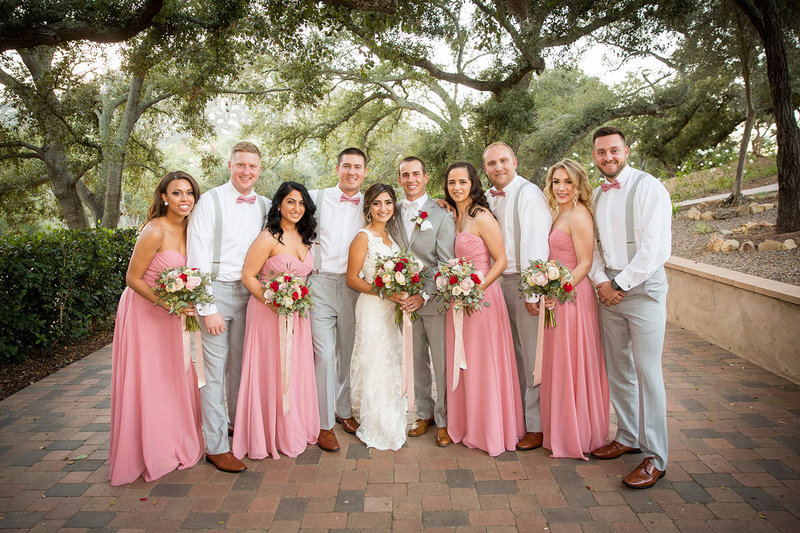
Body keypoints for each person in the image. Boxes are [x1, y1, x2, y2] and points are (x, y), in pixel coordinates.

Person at [588, 126, 671, 489]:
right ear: (594, 156)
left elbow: (656, 248)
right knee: (619, 368)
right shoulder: (595, 194)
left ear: (626, 150)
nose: (608, 157)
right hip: (609, 291)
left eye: (614, 150)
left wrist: (619, 284)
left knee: (648, 372)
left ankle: (656, 457)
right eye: (601, 152)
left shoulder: (648, 187)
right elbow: (593, 247)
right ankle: (627, 436)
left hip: (641, 291)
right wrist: (601, 283)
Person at [110, 171, 204, 486]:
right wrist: (169, 305)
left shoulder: (193, 228)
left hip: (174, 314)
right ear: (164, 197)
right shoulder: (154, 230)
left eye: (189, 192)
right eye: (176, 193)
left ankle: (174, 442)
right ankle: (149, 450)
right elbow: (132, 279)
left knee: (174, 376)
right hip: (145, 312)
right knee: (150, 380)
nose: (184, 199)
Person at [187, 142, 270, 473]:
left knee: (241, 367)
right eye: (240, 165)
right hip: (217, 291)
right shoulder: (210, 201)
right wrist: (207, 308)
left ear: (259, 170)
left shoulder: (265, 205)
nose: (246, 171)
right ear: (229, 165)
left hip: (251, 294)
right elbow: (197, 257)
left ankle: (237, 428)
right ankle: (217, 446)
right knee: (214, 372)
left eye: (252, 166)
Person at [232, 182, 320, 460]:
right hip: (268, 314)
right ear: (279, 205)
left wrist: (293, 303)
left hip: (297, 317)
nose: (296, 208)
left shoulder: (306, 237)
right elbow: (248, 276)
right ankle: (267, 433)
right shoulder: (269, 236)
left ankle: (292, 427)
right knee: (272, 370)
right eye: (290, 202)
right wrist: (274, 303)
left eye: (301, 203)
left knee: (294, 370)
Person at [443, 162, 525, 456]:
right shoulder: (452, 216)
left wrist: (475, 289)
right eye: (451, 183)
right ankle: (467, 425)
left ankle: (490, 429)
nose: (457, 188)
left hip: (482, 299)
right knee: (463, 363)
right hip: (457, 299)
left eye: (462, 182)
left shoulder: (481, 216)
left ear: (473, 183)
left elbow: (500, 260)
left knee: (482, 363)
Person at [483, 142, 552, 451]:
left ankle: (536, 427)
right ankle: (518, 419)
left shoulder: (529, 194)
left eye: (503, 161)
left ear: (514, 161)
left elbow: (536, 244)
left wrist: (532, 290)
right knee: (511, 354)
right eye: (491, 163)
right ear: (484, 168)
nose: (498, 167)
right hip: (497, 284)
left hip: (522, 282)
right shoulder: (485, 198)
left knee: (532, 356)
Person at [540, 159, 610, 460]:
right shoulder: (559, 213)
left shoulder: (580, 215)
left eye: (568, 182)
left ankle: (578, 434)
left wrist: (558, 289)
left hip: (573, 297)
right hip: (559, 294)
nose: (561, 188)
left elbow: (584, 263)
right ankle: (562, 430)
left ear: (578, 185)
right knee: (560, 363)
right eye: (556, 182)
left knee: (573, 361)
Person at [388, 157, 456, 447]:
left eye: (416, 174)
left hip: (434, 299)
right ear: (400, 179)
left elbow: (445, 262)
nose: (411, 179)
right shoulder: (392, 212)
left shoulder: (441, 214)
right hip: (404, 301)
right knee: (415, 362)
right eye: (405, 175)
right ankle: (424, 414)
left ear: (426, 177)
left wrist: (424, 294)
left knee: (440, 362)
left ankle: (445, 421)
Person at [308, 148, 367, 452]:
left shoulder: (371, 205)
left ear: (365, 172)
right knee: (324, 354)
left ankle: (343, 411)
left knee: (347, 351)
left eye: (357, 167)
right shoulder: (315, 198)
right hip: (319, 282)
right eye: (347, 166)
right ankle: (322, 424)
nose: (352, 172)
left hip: (353, 286)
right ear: (337, 168)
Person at [346, 183, 407, 450]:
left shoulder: (392, 239)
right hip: (372, 307)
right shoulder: (363, 237)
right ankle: (373, 419)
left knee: (388, 359)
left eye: (388, 203)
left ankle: (388, 412)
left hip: (389, 310)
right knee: (373, 360)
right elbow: (352, 279)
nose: (383, 209)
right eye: (377, 203)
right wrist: (384, 293)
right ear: (368, 207)